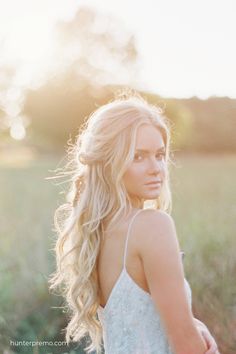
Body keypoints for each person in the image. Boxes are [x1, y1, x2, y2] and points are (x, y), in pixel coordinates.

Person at [48, 92, 219, 354]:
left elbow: (143, 317)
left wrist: (194, 324)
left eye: (160, 155)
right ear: (109, 162)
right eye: (138, 156)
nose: (156, 168)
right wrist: (192, 332)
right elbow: (184, 342)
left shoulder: (99, 232)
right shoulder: (152, 225)